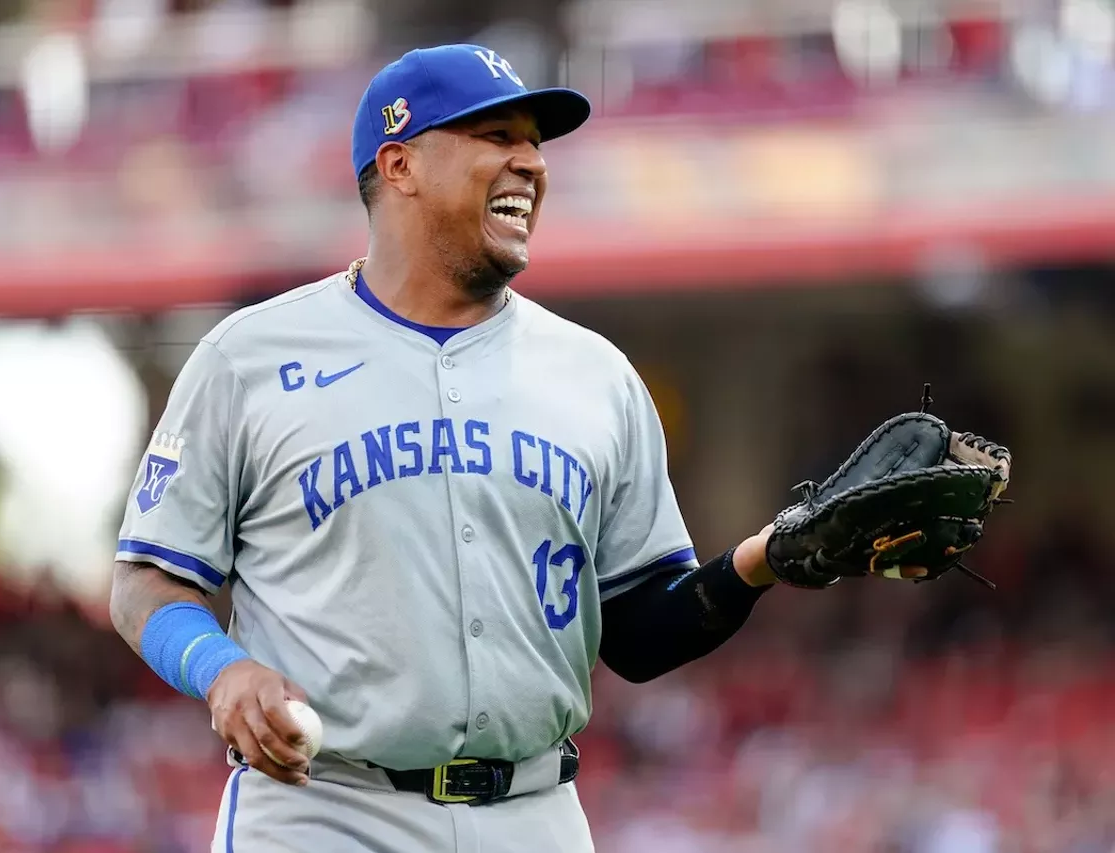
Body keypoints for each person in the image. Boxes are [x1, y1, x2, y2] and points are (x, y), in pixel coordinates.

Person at [110, 43, 783, 852]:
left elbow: (639, 634)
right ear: (400, 165)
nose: (530, 163)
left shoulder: (597, 375)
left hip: (535, 812)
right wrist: (221, 669)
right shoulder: (247, 356)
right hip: (324, 811)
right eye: (496, 136)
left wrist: (764, 562)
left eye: (534, 142)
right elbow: (146, 579)